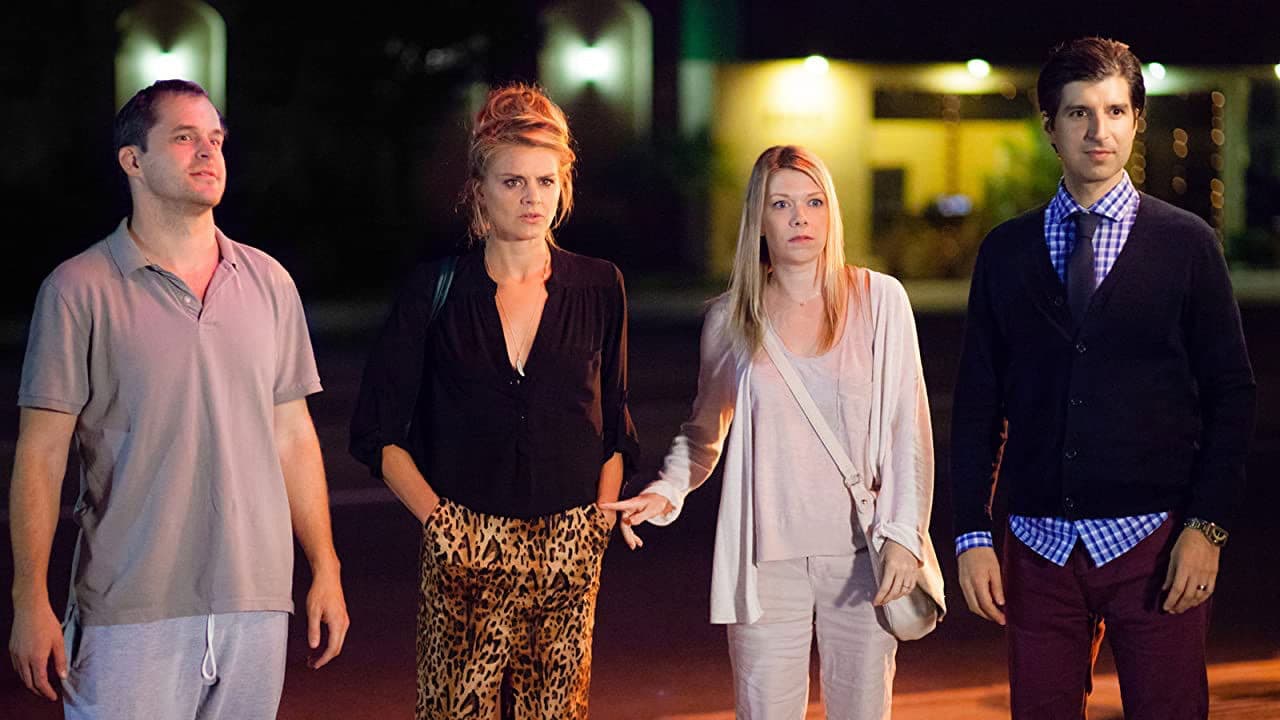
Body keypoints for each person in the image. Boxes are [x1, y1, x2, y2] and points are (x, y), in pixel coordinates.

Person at [8, 79, 349, 719]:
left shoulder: (270, 282)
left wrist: (324, 568)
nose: (208, 152)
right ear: (133, 160)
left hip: (256, 598)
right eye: (185, 138)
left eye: (215, 138)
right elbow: (42, 454)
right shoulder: (78, 289)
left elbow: (294, 436)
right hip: (128, 607)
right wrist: (30, 598)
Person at [951, 37, 1256, 719]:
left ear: (1137, 120)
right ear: (1050, 126)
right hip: (1038, 548)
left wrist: (1206, 528)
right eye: (1079, 113)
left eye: (1116, 111)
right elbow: (977, 402)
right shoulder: (1006, 251)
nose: (1100, 130)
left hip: (1155, 544)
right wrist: (971, 534)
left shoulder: (1186, 244)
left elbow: (1232, 394)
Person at [604, 145, 938, 719]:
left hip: (862, 554)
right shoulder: (730, 317)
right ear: (758, 218)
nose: (799, 217)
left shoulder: (880, 300)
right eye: (781, 204)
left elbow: (909, 428)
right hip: (765, 562)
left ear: (831, 211)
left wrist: (906, 534)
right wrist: (667, 489)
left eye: (813, 202)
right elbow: (705, 428)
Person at [349, 82, 639, 720]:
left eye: (545, 181)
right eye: (513, 182)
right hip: (465, 540)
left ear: (563, 186)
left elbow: (615, 419)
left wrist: (597, 520)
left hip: (570, 541)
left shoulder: (599, 286)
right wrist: (443, 526)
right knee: (455, 711)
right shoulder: (435, 289)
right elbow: (377, 430)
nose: (532, 197)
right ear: (479, 190)